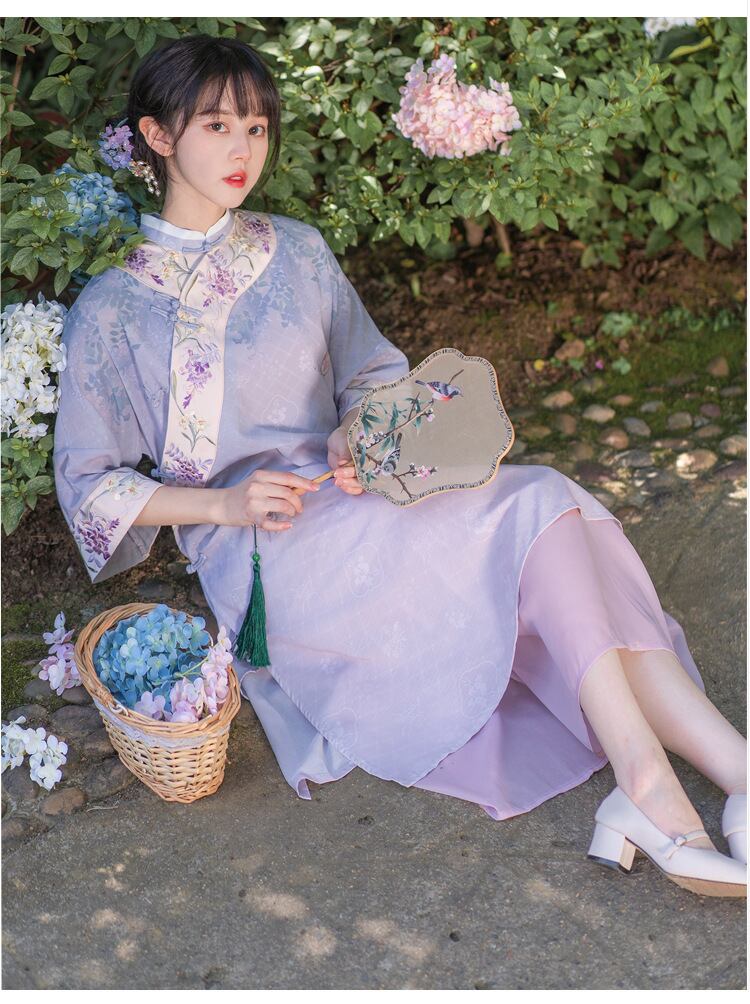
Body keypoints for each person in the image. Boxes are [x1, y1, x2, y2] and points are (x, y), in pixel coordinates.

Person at [53, 34, 746, 897]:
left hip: (364, 491)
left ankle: (701, 775)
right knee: (539, 526)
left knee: (545, 505)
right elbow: (90, 485)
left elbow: (373, 373)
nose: (244, 150)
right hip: (272, 548)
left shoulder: (296, 251)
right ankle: (669, 786)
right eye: (219, 126)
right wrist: (223, 507)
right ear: (158, 137)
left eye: (258, 128)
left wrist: (357, 433)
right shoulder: (112, 309)